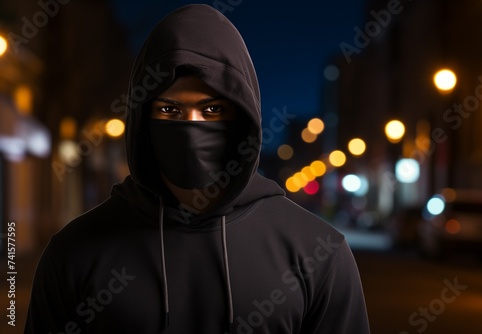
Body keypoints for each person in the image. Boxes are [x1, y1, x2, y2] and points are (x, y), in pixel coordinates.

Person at [25, 4, 370, 333]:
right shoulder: (74, 253)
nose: (191, 127)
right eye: (170, 111)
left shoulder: (318, 252)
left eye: (212, 110)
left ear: (243, 118)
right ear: (142, 120)